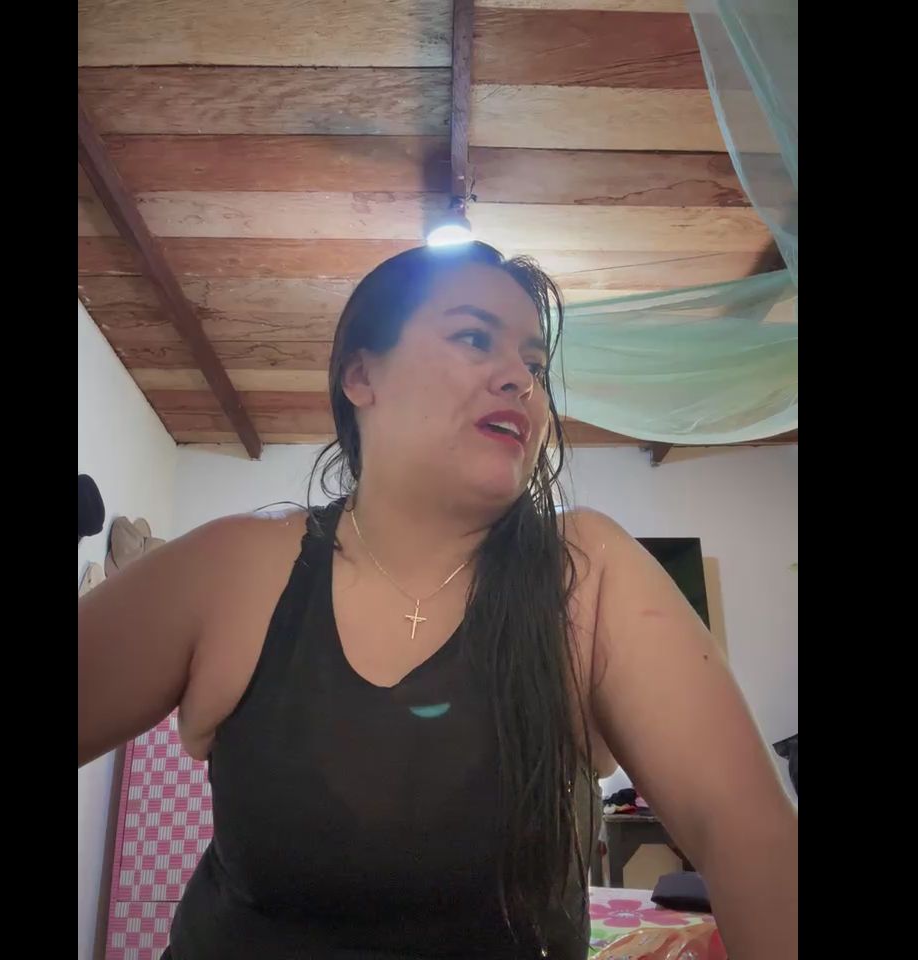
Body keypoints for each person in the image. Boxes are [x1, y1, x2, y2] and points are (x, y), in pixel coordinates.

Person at [78, 242, 797, 959]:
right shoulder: (236, 565)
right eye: (475, 338)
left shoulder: (587, 573)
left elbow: (751, 836)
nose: (520, 380)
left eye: (536, 364)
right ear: (362, 374)